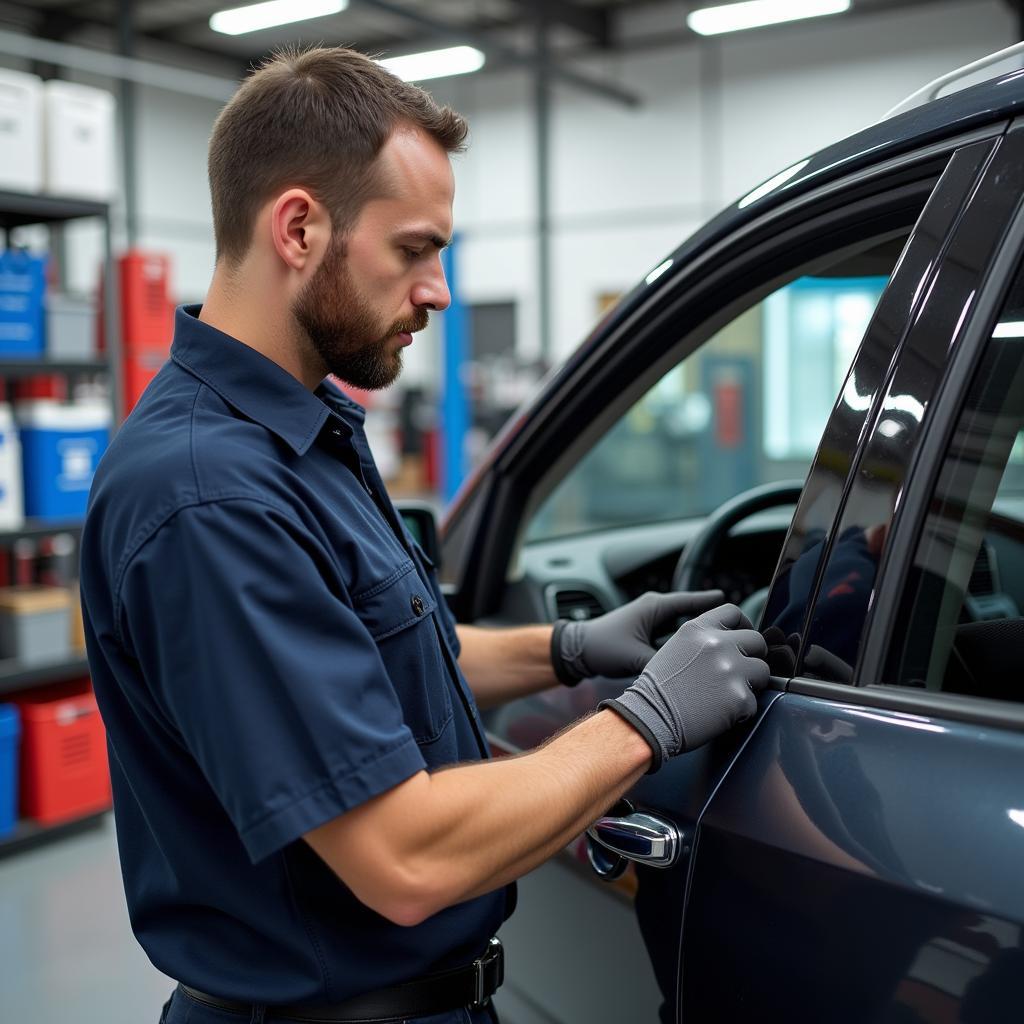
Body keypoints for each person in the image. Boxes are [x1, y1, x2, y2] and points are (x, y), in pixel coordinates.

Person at [80, 46, 770, 1024]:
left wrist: (567, 649)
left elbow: (371, 660)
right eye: (413, 248)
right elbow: (403, 856)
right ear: (298, 226)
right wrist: (643, 721)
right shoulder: (209, 497)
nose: (439, 290)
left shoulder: (304, 432)